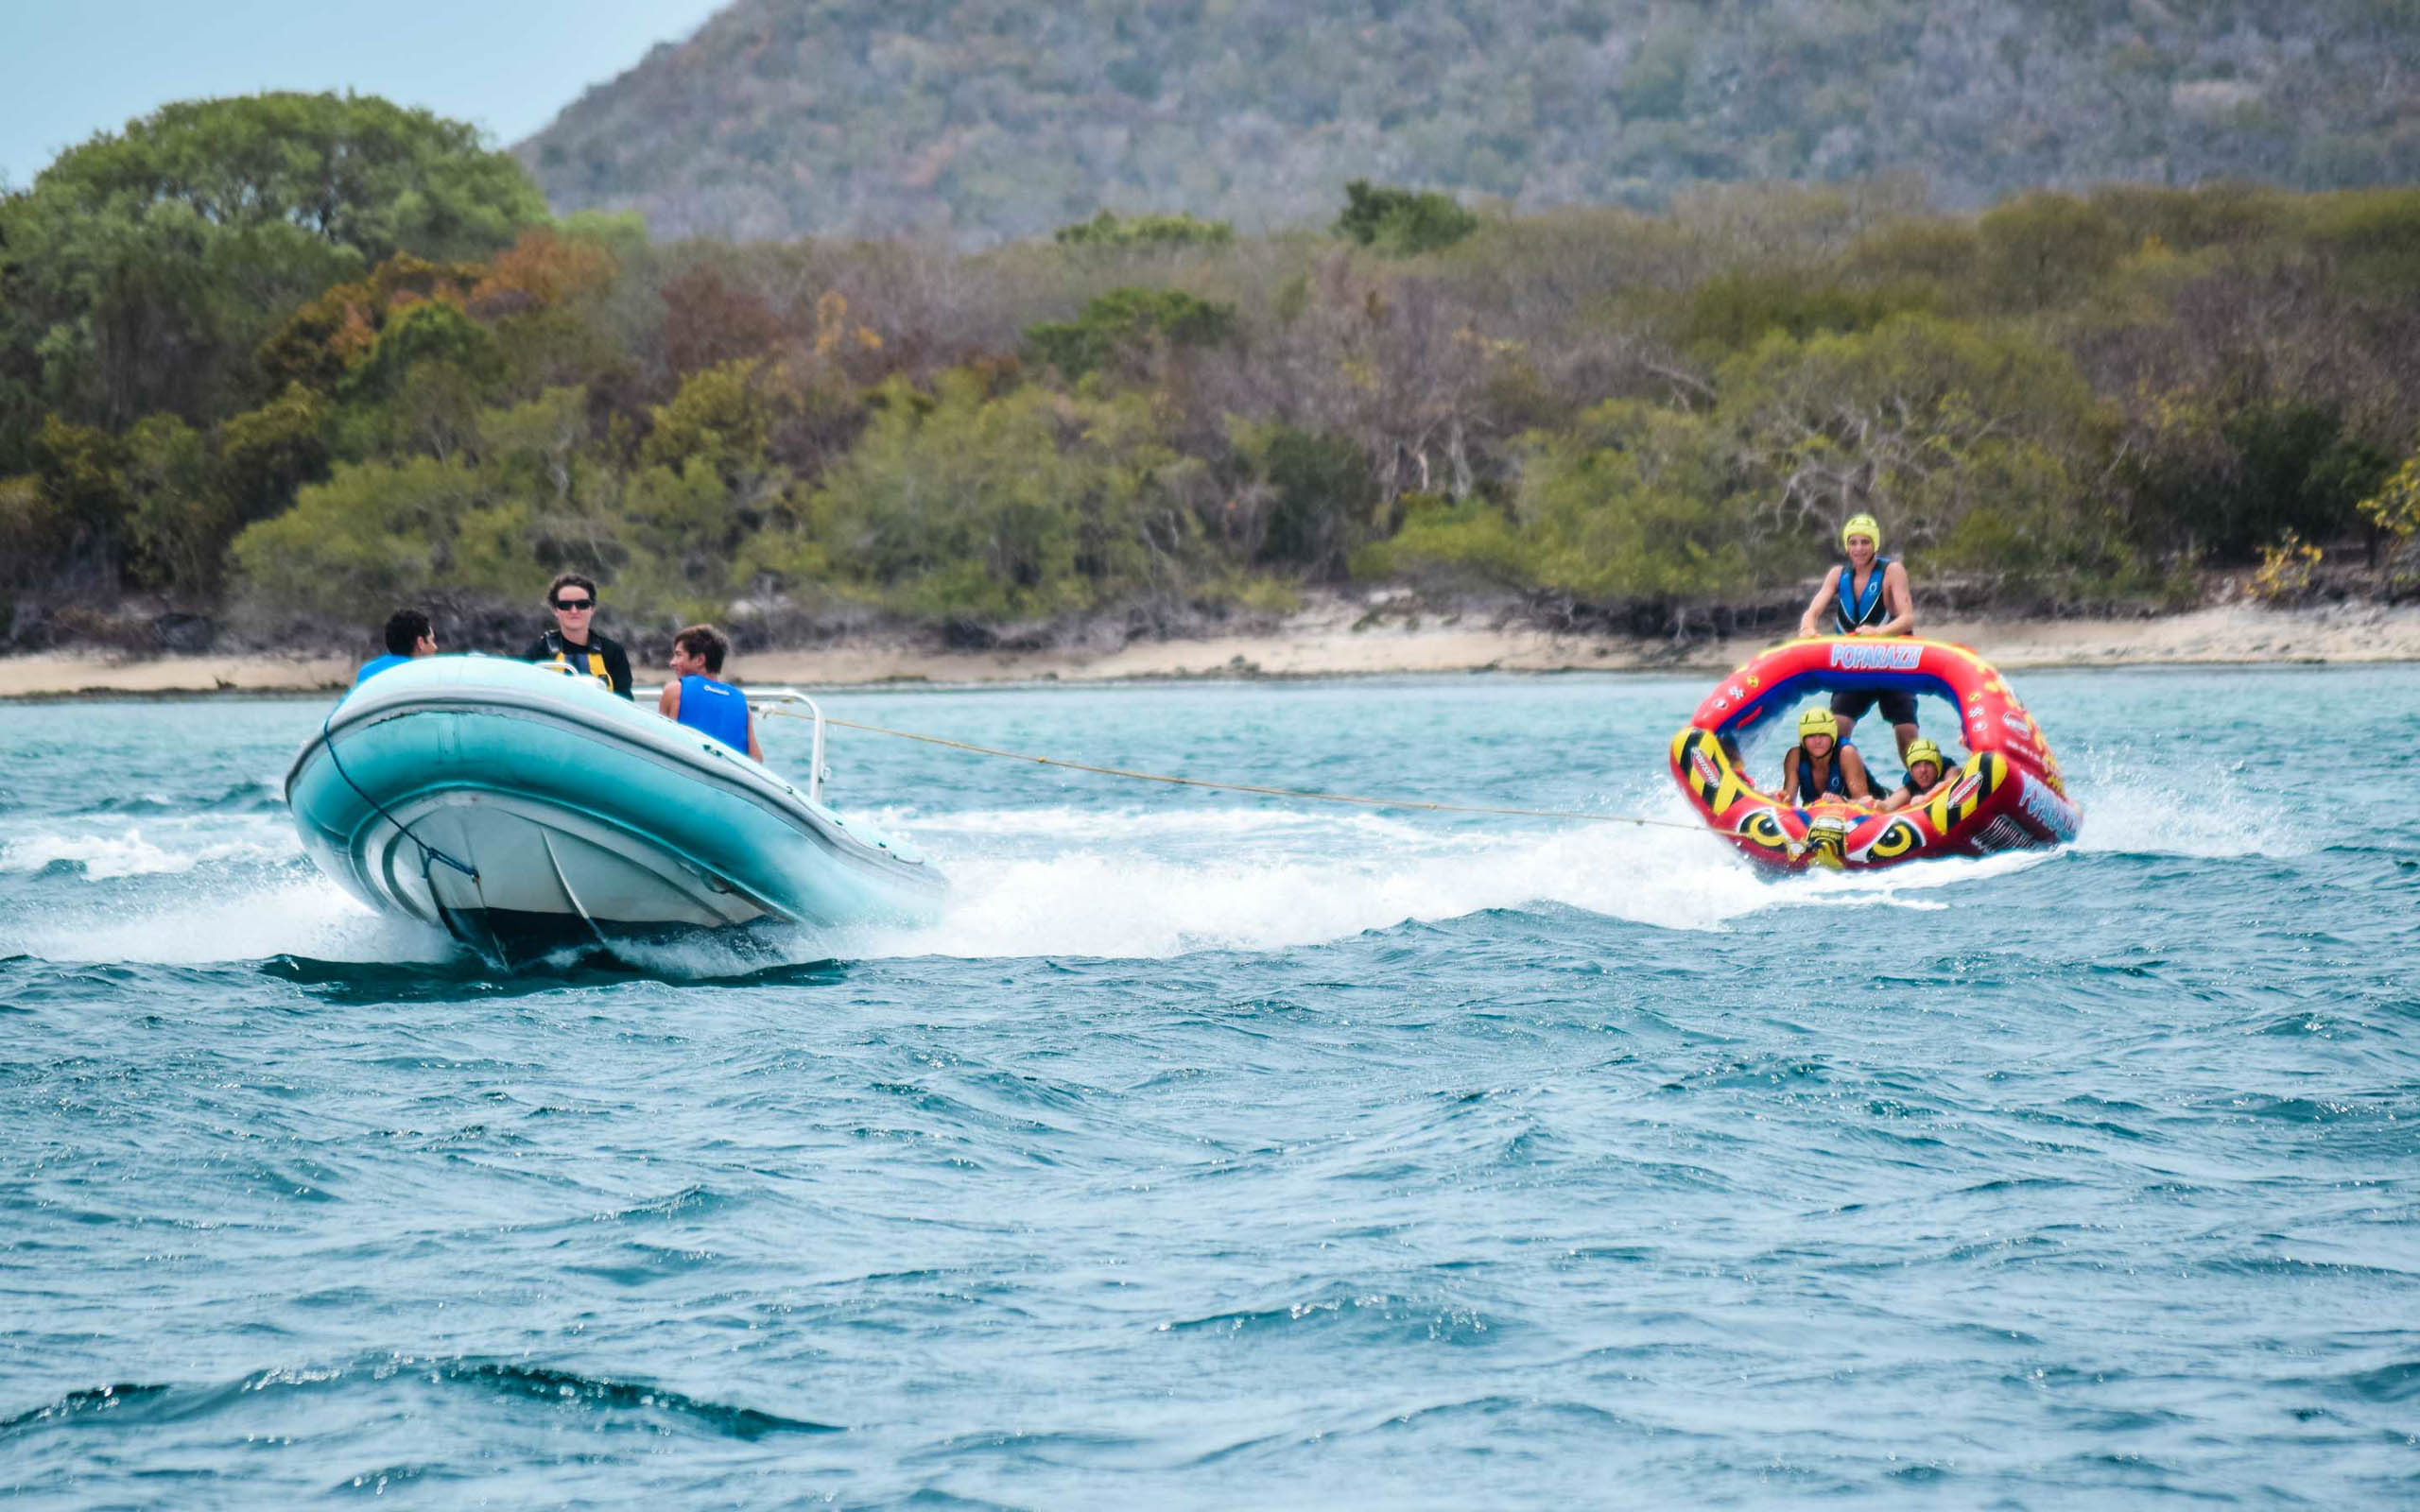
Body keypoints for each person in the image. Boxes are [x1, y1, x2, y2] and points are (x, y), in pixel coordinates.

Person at [1798, 512, 1919, 759]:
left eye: (1865, 542)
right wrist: (1807, 630)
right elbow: (1812, 611)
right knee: (1837, 728)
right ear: (1846, 545)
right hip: (1855, 667)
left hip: (1892, 665)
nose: (1859, 548)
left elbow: (1907, 617)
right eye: (1853, 543)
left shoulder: (1891, 571)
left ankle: (1921, 789)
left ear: (1874, 544)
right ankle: (1839, 789)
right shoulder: (1837, 575)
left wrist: (1879, 632)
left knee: (1906, 732)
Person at [657, 623, 763, 761]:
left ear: (700, 660)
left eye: (678, 655)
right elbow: (756, 759)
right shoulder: (740, 701)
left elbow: (660, 744)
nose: (672, 662)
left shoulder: (675, 690)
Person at [522, 574, 632, 699]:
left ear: (592, 609)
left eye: (582, 604)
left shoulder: (613, 653)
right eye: (565, 605)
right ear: (555, 610)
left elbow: (625, 703)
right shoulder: (538, 652)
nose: (574, 611)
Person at [1777, 706, 1873, 805]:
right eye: (1811, 736)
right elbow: (1788, 801)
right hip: (1812, 815)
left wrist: (1843, 802)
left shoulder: (1846, 754)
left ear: (1833, 737)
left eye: (1823, 735)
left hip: (1863, 805)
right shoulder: (1795, 757)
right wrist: (1779, 797)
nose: (1817, 741)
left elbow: (1864, 802)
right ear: (1803, 740)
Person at [354, 609, 437, 686]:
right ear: (420, 643)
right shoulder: (425, 675)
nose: (435, 647)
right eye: (432, 640)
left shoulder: (366, 672)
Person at [1874, 738, 1956, 814]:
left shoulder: (1948, 768)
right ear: (1911, 771)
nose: (1923, 770)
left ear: (1937, 766)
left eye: (1928, 764)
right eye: (1917, 765)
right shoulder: (1910, 786)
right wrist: (1872, 804)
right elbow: (1886, 806)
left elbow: (1950, 781)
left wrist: (1926, 798)